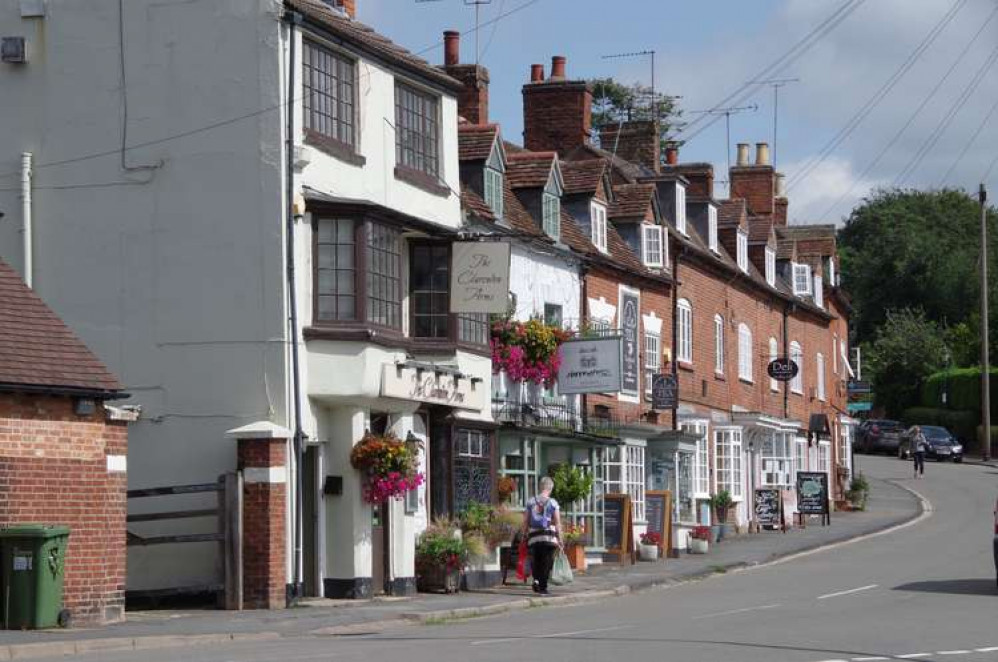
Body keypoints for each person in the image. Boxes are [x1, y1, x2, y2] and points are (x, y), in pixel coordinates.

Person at [522, 476, 562, 595]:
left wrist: (524, 535)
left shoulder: (531, 501)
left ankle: (536, 580)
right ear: (550, 488)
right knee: (547, 562)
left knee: (536, 560)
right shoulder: (553, 503)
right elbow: (558, 522)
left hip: (534, 536)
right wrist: (560, 539)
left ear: (541, 487)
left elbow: (525, 521)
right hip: (548, 536)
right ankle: (543, 587)